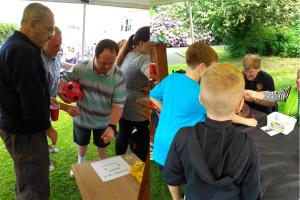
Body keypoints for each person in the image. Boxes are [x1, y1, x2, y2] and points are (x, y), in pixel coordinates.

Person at [150, 41, 257, 167]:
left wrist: (165, 109)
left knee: (170, 176)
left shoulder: (171, 78)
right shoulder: (199, 92)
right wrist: (247, 121)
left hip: (161, 141)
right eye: (212, 69)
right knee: (186, 174)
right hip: (181, 146)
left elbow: (152, 95)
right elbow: (221, 112)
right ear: (202, 67)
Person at [163, 63, 260, 200]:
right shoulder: (248, 145)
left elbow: (171, 176)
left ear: (200, 100)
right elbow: (252, 192)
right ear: (240, 105)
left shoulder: (183, 136)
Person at [0, 3, 54, 199]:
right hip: (25, 133)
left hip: (15, 127)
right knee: (34, 186)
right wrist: (47, 127)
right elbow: (32, 102)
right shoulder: (23, 51)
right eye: (49, 29)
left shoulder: (13, 45)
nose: (50, 35)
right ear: (32, 24)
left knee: (25, 178)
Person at [58, 39, 126, 176]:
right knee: (82, 142)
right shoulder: (80, 67)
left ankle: (102, 163)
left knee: (102, 144)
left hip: (104, 121)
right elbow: (65, 77)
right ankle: (80, 162)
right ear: (95, 56)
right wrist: (61, 91)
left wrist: (112, 126)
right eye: (104, 63)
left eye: (111, 63)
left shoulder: (118, 76)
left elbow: (118, 105)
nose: (108, 67)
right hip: (81, 117)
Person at [42, 26, 80, 171]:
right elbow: (35, 96)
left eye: (60, 45)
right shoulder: (36, 59)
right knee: (41, 128)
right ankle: (45, 159)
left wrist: (59, 88)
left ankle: (46, 146)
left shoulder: (55, 56)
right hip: (39, 104)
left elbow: (60, 68)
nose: (58, 49)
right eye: (54, 46)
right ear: (43, 42)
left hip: (51, 101)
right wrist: (65, 107)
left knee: (47, 123)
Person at [115, 26, 150, 161]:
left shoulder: (127, 53)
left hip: (123, 102)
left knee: (123, 134)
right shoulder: (142, 59)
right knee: (144, 136)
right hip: (137, 107)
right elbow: (152, 76)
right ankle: (139, 165)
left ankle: (119, 161)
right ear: (141, 43)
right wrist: (150, 87)